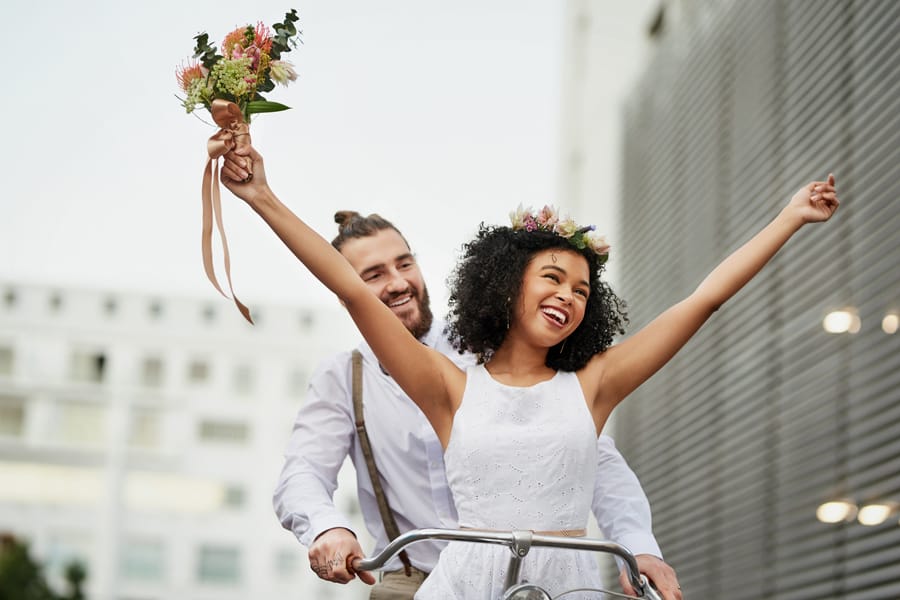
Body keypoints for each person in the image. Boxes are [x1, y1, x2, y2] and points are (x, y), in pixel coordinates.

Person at [220, 147, 838, 599]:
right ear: (506, 285)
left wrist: (787, 218)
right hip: (449, 584)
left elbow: (702, 300)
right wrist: (261, 198)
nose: (568, 295)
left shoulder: (594, 384)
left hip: (564, 584)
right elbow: (348, 291)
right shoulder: (446, 385)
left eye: (582, 288)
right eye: (552, 278)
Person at [272, 210, 681, 599]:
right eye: (374, 275)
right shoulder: (344, 377)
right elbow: (304, 471)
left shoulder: (496, 351)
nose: (397, 282)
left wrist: (637, 545)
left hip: (528, 577)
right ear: (349, 295)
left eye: (405, 264)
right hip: (415, 577)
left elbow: (591, 458)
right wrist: (327, 528)